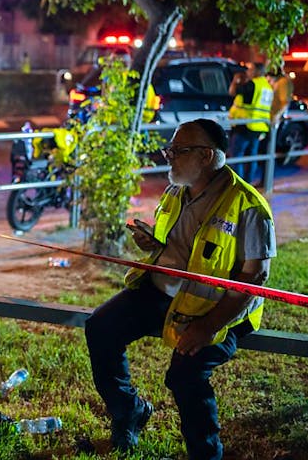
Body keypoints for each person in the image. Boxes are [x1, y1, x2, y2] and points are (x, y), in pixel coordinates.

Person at [85, 118, 275, 460]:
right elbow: (174, 247)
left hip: (217, 311)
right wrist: (150, 242)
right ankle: (129, 410)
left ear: (206, 156)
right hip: (162, 293)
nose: (169, 156)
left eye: (178, 150)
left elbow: (253, 280)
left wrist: (207, 327)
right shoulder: (176, 191)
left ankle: (206, 454)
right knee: (100, 326)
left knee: (185, 376)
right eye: (168, 149)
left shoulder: (249, 207)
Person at [228, 61, 274, 184]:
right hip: (260, 126)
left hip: (246, 125)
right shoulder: (267, 86)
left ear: (257, 71)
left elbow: (232, 92)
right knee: (252, 156)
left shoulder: (252, 84)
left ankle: (238, 184)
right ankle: (248, 183)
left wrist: (235, 80)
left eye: (250, 69)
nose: (247, 72)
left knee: (236, 155)